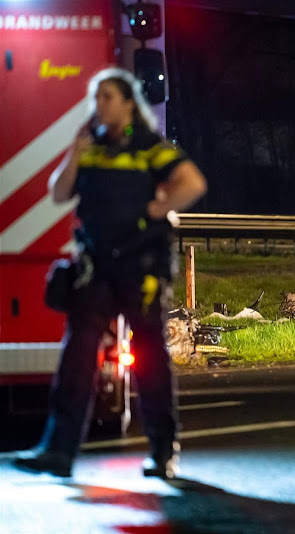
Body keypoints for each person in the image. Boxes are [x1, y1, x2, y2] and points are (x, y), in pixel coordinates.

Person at [13, 67, 207, 478]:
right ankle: (59, 452)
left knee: (150, 358)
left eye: (106, 97)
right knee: (77, 356)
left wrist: (154, 210)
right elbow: (59, 193)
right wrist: (75, 154)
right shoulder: (92, 147)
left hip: (140, 267)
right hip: (97, 266)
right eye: (95, 98)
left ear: (127, 103)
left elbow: (191, 183)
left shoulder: (146, 146)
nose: (98, 105)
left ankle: (162, 452)